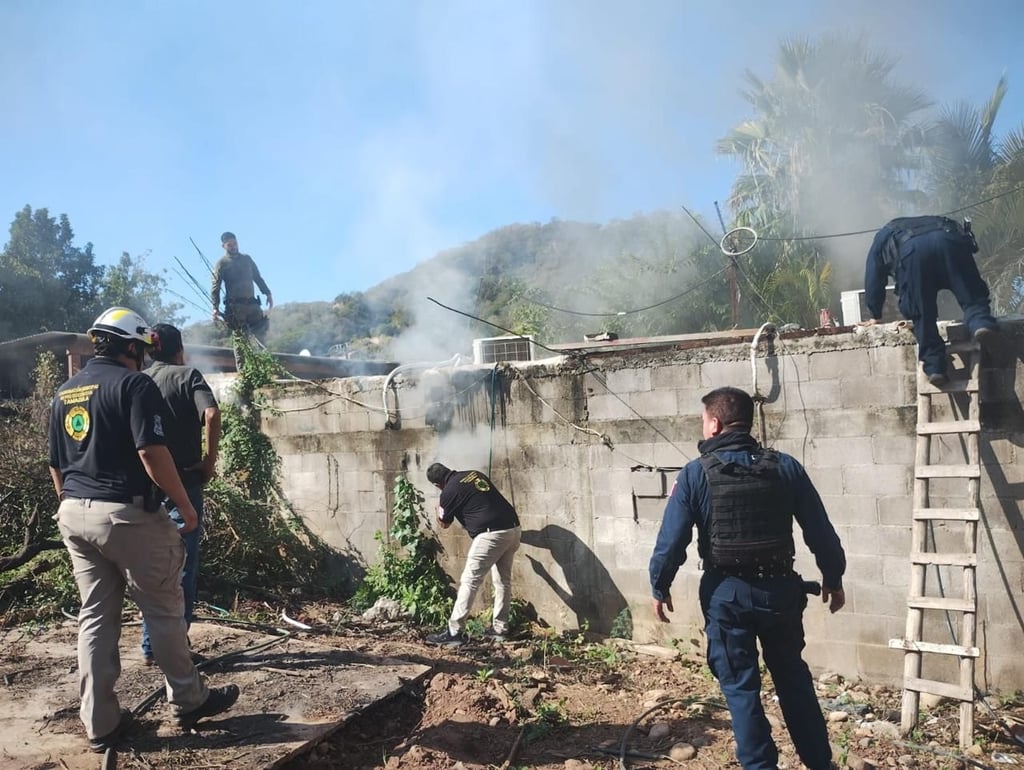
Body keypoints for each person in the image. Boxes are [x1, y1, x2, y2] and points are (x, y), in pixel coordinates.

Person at [48, 307, 239, 753]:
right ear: (132, 346)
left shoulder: (66, 392)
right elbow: (152, 453)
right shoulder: (135, 384)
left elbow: (56, 464)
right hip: (128, 516)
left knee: (95, 617)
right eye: (142, 348)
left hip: (75, 513)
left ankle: (100, 723)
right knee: (164, 609)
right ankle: (190, 699)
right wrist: (186, 506)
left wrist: (72, 505)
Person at [649, 387, 846, 770]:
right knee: (793, 679)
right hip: (780, 592)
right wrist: (833, 577)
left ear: (715, 423)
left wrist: (660, 584)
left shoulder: (695, 473)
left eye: (704, 420)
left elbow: (672, 539)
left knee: (741, 690)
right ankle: (821, 763)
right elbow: (820, 529)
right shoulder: (785, 466)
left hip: (728, 595)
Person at [140, 323, 221, 666]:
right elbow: (212, 414)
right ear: (180, 349)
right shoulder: (188, 376)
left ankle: (150, 647)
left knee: (151, 567)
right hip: (184, 481)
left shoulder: (138, 380)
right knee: (183, 566)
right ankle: (176, 648)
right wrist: (209, 461)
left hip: (145, 484)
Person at [861, 214, 997, 387]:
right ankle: (981, 323)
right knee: (970, 290)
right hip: (948, 241)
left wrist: (875, 313)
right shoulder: (938, 220)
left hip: (913, 256)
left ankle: (935, 368)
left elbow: (874, 275)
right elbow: (967, 259)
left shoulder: (885, 233)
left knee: (922, 314)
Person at [424, 463, 522, 646]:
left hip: (490, 534)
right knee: (502, 581)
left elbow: (444, 523)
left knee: (470, 580)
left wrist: (439, 509)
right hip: (513, 529)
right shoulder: (473, 474)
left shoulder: (447, 493)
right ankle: (500, 629)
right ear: (448, 470)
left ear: (437, 485)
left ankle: (454, 631)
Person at [211, 231, 273, 343]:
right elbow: (216, 287)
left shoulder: (247, 259)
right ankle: (243, 361)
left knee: (261, 338)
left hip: (253, 305)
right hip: (235, 308)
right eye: (229, 245)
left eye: (235, 243)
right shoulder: (222, 263)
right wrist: (215, 307)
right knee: (241, 342)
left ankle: (262, 360)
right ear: (223, 246)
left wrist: (267, 293)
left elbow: (258, 278)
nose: (233, 247)